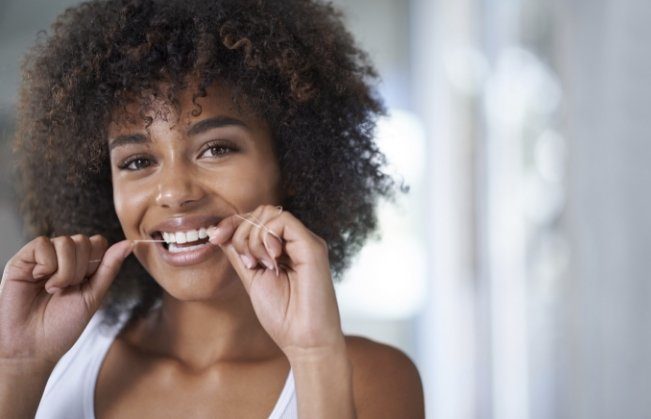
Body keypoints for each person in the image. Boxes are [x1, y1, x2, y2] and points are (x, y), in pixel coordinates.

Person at [0, 0, 425, 417]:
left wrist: (313, 356)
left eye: (216, 148)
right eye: (137, 161)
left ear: (292, 163)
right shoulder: (52, 358)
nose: (174, 192)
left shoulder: (370, 379)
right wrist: (18, 367)